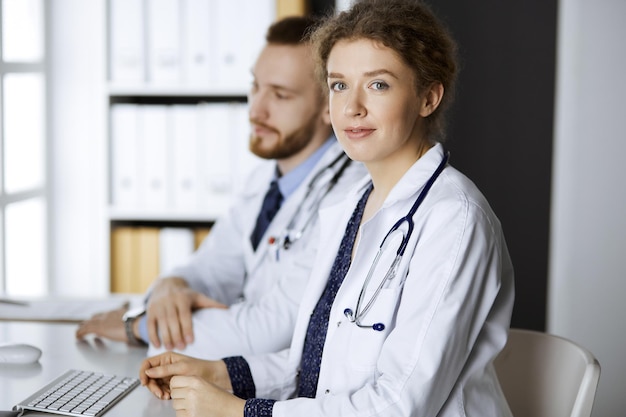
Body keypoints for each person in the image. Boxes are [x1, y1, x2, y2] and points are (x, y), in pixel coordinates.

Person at [138, 0, 516, 416]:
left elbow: (396, 406)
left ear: (428, 98)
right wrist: (219, 374)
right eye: (339, 85)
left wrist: (240, 411)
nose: (352, 107)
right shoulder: (351, 205)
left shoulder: (454, 220)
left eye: (378, 85)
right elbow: (310, 366)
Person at [76, 16, 367, 360]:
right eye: (255, 86)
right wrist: (172, 287)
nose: (256, 110)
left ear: (327, 106)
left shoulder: (351, 194)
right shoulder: (263, 182)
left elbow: (272, 331)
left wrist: (138, 327)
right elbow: (211, 269)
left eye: (280, 95)